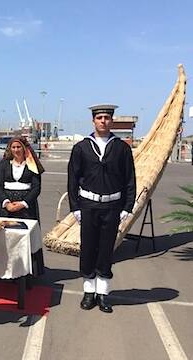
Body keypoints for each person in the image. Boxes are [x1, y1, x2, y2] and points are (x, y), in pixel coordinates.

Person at [68, 104, 136, 313]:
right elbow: (72, 179)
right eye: (99, 118)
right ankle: (89, 292)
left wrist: (127, 207)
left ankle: (104, 294)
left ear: (112, 121)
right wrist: (75, 208)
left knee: (106, 250)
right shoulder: (81, 147)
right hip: (88, 206)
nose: (103, 121)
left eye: (107, 117)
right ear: (93, 121)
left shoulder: (121, 148)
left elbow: (130, 180)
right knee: (88, 249)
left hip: (112, 206)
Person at [0, 137, 44, 220]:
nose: (16, 150)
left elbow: (36, 188)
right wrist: (6, 203)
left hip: (26, 207)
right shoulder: (4, 164)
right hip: (7, 206)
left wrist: (23, 203)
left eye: (18, 147)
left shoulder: (32, 165)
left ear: (24, 148)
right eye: (13, 147)